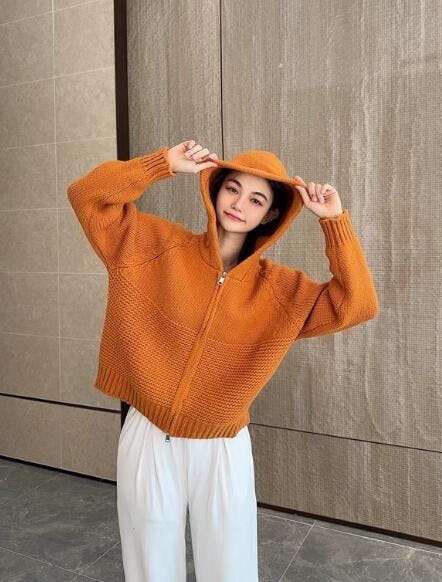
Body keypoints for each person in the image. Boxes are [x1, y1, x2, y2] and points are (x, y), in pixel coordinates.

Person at [67, 140, 379, 582]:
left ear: (270, 215)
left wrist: (334, 222)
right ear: (215, 190)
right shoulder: (153, 246)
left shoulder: (282, 291)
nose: (239, 204)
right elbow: (87, 196)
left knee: (230, 568)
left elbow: (357, 304)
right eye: (233, 189)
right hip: (148, 433)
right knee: (150, 565)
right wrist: (162, 164)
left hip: (222, 446)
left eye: (256, 199)